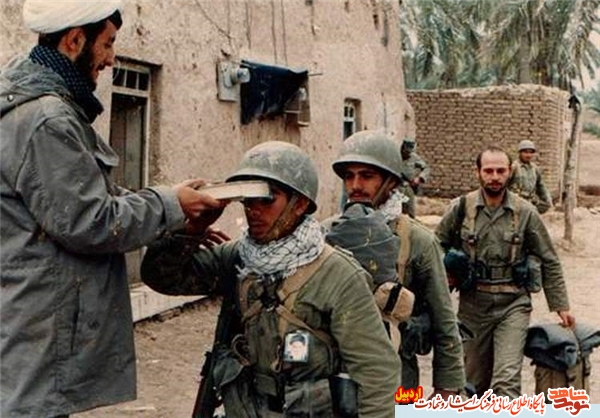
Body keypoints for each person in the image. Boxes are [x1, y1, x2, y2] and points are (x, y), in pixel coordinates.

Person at [0, 1, 226, 417]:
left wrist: (173, 210)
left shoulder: (41, 109)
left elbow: (89, 197)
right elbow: (89, 221)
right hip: (38, 327)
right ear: (74, 41)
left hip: (28, 320)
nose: (110, 59)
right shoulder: (48, 120)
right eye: (107, 44)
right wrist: (171, 203)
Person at [140, 141, 400, 417]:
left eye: (267, 199)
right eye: (248, 200)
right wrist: (192, 230)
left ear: (300, 204)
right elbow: (163, 278)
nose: (253, 210)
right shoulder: (238, 257)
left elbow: (375, 372)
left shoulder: (338, 274)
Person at [323, 130, 465, 400]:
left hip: (397, 377)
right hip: (333, 376)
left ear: (390, 182)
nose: (355, 185)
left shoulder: (417, 240)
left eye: (367, 176)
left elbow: (444, 321)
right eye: (349, 176)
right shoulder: (326, 234)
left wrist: (446, 389)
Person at [435, 144, 576, 400]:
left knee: (506, 380)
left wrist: (561, 305)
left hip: (513, 304)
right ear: (478, 172)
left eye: (501, 171)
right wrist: (447, 271)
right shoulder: (461, 208)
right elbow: (435, 247)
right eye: (488, 171)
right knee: (471, 383)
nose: (495, 177)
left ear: (510, 172)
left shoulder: (526, 212)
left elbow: (549, 259)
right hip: (473, 304)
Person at [509, 139, 553, 214]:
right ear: (520, 152)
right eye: (525, 152)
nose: (528, 155)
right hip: (516, 202)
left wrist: (548, 200)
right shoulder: (514, 167)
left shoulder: (534, 169)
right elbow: (504, 185)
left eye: (531, 152)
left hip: (531, 201)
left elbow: (541, 186)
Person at [399, 137, 430, 218]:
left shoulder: (414, 158)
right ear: (402, 148)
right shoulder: (395, 156)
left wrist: (419, 178)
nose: (408, 154)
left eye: (409, 152)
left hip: (408, 188)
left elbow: (426, 168)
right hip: (395, 187)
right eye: (406, 151)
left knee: (410, 213)